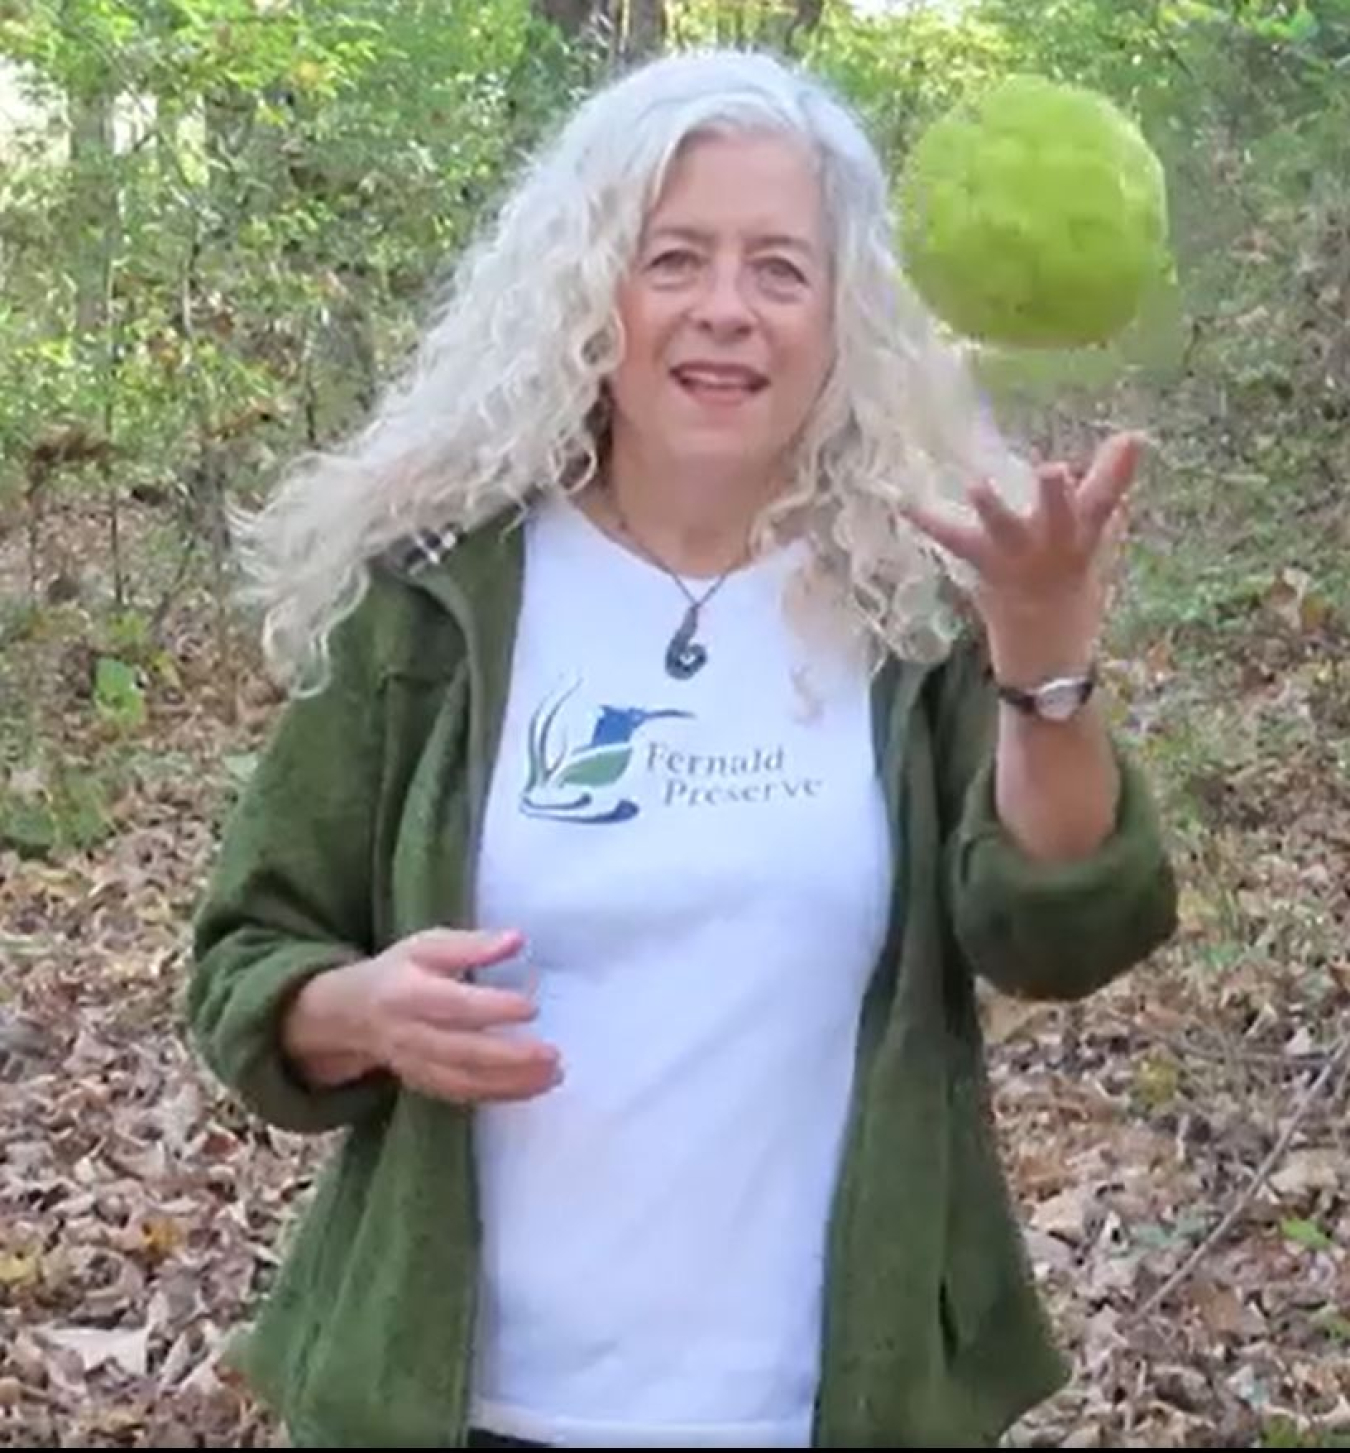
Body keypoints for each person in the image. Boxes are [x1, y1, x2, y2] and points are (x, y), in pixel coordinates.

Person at [186, 46, 1178, 1450]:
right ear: (593, 289)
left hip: (821, 1403)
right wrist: (355, 1009)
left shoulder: (910, 602)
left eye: (778, 268)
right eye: (675, 258)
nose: (726, 309)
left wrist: (1040, 658)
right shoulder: (434, 604)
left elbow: (1057, 934)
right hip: (455, 1402)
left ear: (843, 317)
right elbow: (245, 960)